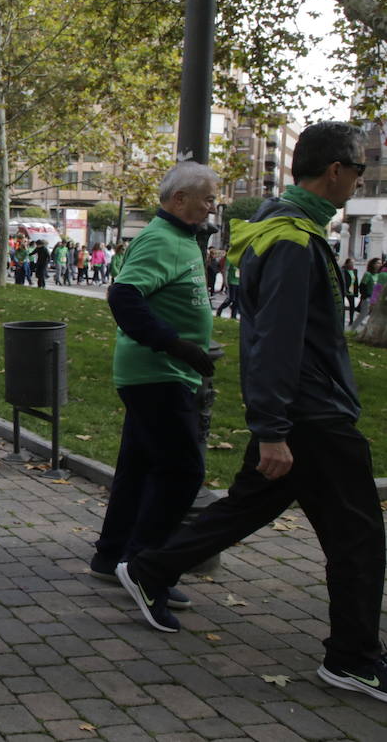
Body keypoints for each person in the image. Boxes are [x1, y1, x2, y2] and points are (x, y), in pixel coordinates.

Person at [116, 123, 387, 703]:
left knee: (245, 509)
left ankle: (151, 567)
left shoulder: (288, 230)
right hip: (311, 415)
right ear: (335, 171)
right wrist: (272, 428)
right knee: (360, 538)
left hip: (301, 411)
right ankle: (354, 658)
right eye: (358, 170)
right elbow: (275, 342)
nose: (358, 180)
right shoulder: (289, 238)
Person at [90, 162, 219, 607]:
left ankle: (111, 558)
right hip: (156, 373)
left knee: (139, 468)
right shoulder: (162, 238)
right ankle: (143, 567)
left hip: (163, 371)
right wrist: (176, 346)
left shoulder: (183, 239)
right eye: (207, 198)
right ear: (179, 199)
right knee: (184, 471)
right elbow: (124, 296)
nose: (212, 206)